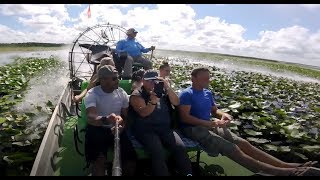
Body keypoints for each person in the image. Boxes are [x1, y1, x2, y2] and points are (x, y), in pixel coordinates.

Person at [178, 67, 317, 176]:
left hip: (210, 124)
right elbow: (185, 118)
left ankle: (286, 165)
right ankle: (284, 173)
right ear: (193, 78)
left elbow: (214, 110)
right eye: (204, 79)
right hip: (193, 128)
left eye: (208, 79)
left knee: (244, 143)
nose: (208, 81)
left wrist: (224, 114)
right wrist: (211, 124)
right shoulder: (187, 94)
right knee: (233, 149)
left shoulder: (207, 92)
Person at [129, 70, 193, 176]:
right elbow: (144, 113)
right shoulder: (137, 94)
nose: (152, 83)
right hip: (146, 130)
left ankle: (188, 174)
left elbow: (176, 102)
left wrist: (167, 87)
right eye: (149, 81)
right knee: (157, 152)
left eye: (155, 81)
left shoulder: (162, 91)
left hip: (165, 129)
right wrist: (154, 100)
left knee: (180, 148)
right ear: (143, 81)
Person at [84, 65, 137, 176]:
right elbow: (91, 117)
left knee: (131, 161)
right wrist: (106, 119)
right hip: (97, 129)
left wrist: (123, 125)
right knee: (99, 162)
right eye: (114, 78)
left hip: (118, 129)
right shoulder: (92, 94)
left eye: (117, 77)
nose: (118, 80)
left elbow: (126, 116)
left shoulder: (121, 92)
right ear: (102, 80)